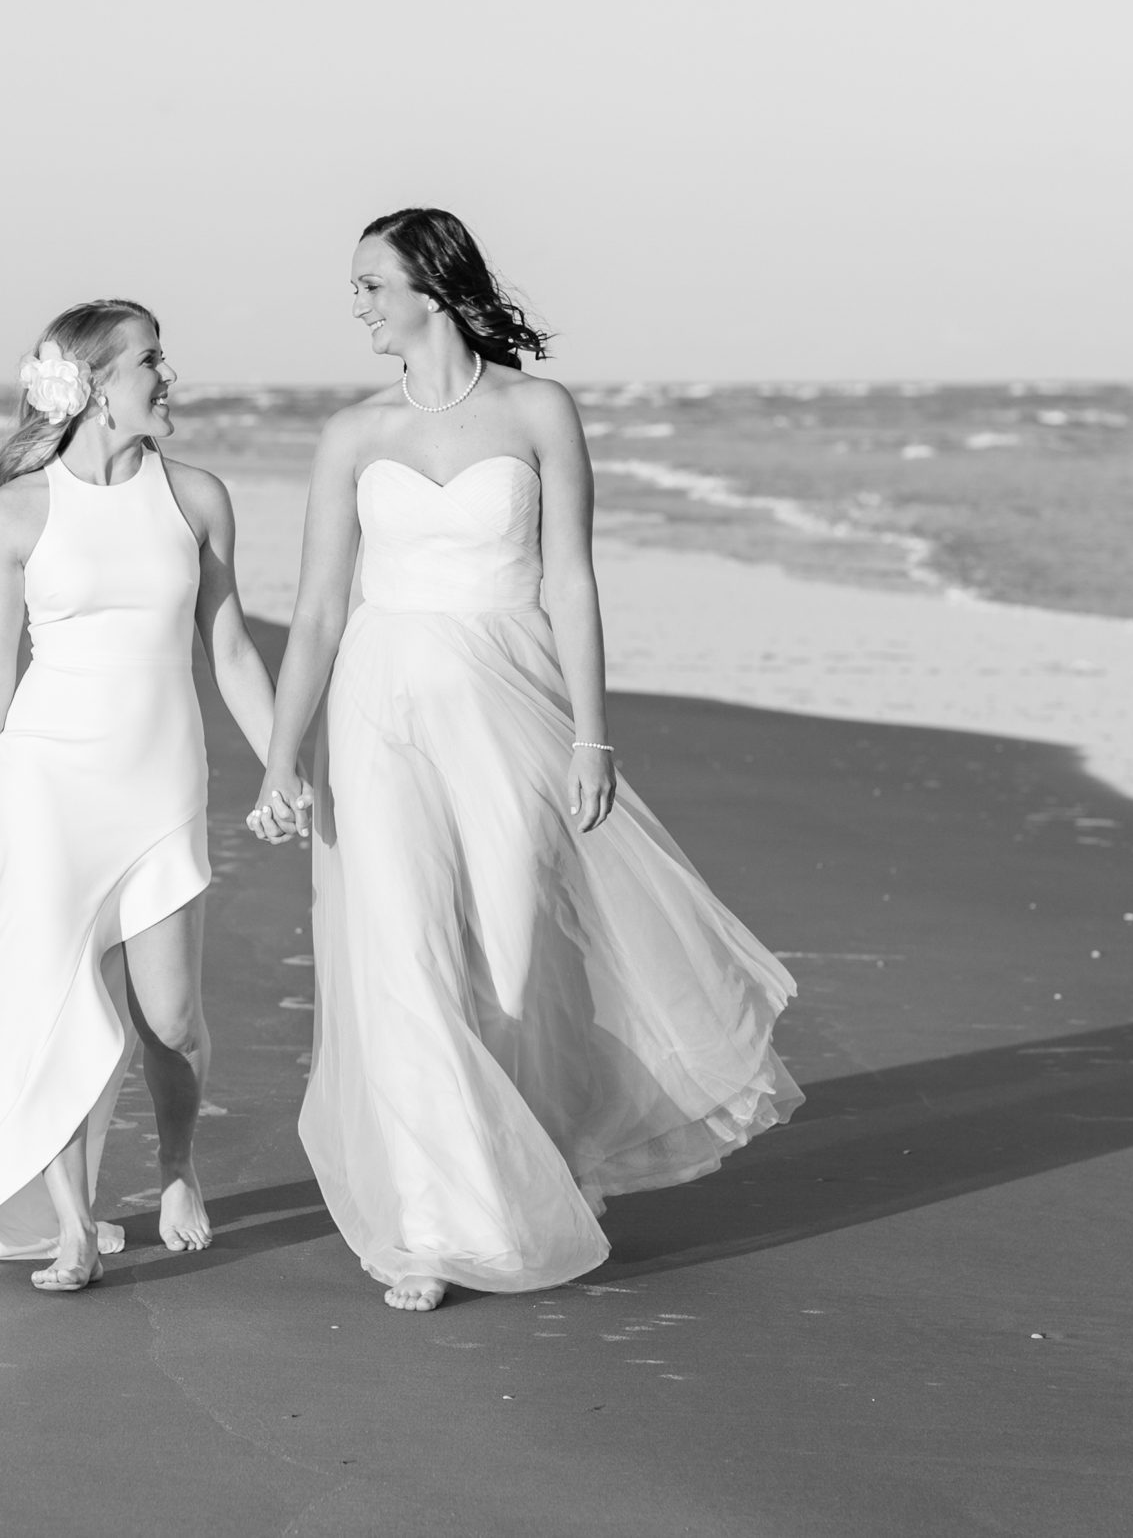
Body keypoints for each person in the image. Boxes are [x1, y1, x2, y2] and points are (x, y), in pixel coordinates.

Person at [249, 210, 802, 1311]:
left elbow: (573, 583)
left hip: (513, 702)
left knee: (510, 961)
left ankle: (535, 1168)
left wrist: (594, 734)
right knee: (399, 954)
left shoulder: (538, 409)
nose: (356, 305)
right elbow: (314, 610)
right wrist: (280, 758)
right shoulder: (351, 433)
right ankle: (432, 1226)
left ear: (431, 283)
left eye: (371, 284)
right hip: (375, 707)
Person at [0, 299, 277, 1291]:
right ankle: (72, 1224)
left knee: (170, 1016)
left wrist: (283, 763)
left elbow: (228, 649)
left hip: (160, 779)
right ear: (94, 383)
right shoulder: (14, 512)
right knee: (49, 998)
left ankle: (176, 1172)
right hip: (46, 785)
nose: (167, 378)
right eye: (149, 362)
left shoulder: (198, 498)